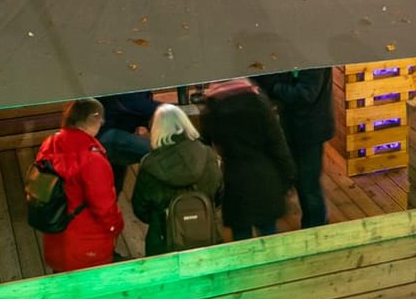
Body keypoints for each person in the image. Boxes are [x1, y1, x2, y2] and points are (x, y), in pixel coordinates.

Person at [198, 78, 296, 240]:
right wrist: (288, 178)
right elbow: (279, 147)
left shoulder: (212, 111)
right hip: (265, 177)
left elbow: (205, 145)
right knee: (268, 235)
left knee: (241, 237)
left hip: (234, 180)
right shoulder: (260, 105)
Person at [36, 99, 124, 272]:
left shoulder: (50, 144)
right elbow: (103, 206)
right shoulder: (93, 159)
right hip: (88, 246)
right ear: (93, 120)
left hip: (57, 237)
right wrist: (116, 226)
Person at [130, 105, 224, 256]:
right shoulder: (207, 155)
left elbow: (140, 208)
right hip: (207, 234)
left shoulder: (149, 164)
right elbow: (219, 195)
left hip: (163, 240)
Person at [255, 68, 335, 230]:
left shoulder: (313, 58)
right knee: (303, 181)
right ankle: (315, 224)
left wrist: (273, 87)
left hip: (309, 130)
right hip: (296, 126)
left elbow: (305, 94)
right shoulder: (300, 54)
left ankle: (315, 229)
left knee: (308, 185)